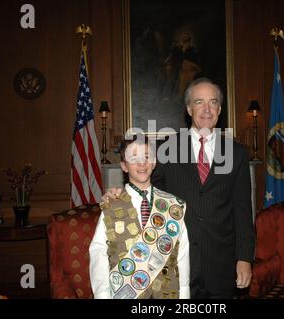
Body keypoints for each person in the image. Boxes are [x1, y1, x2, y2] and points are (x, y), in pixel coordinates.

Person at [105, 78, 254, 298]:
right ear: (188, 108)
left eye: (212, 102)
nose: (206, 109)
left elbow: (243, 211)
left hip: (222, 264)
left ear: (220, 109)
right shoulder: (167, 149)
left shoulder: (237, 153)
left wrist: (244, 258)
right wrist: (120, 195)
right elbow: (146, 190)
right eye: (199, 102)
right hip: (176, 262)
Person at [89, 136, 190, 299]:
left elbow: (182, 254)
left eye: (146, 157)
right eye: (133, 158)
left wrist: (184, 296)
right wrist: (102, 295)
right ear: (124, 166)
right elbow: (99, 254)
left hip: (167, 293)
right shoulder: (112, 206)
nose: (142, 163)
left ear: (154, 162)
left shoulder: (172, 206)